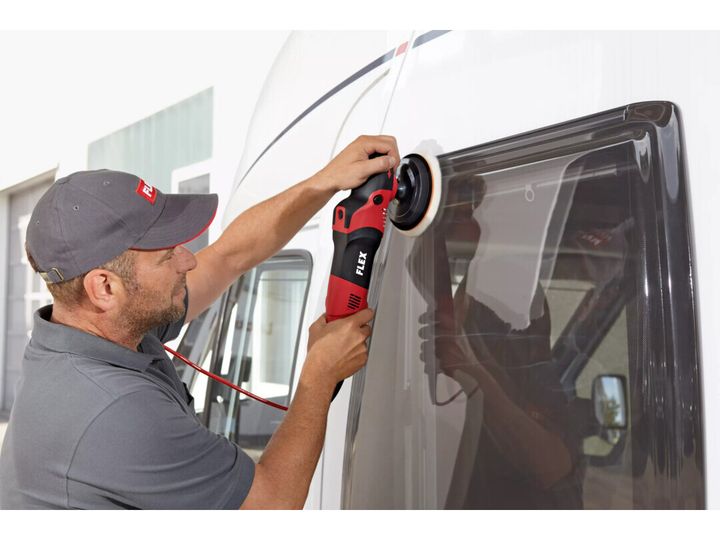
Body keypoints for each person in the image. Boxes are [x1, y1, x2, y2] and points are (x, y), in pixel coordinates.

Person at [0, 135, 399, 509]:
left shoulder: (105, 325)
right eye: (167, 254)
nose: (189, 260)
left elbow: (229, 256)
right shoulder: (113, 410)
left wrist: (325, 182)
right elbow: (271, 505)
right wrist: (319, 376)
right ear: (105, 287)